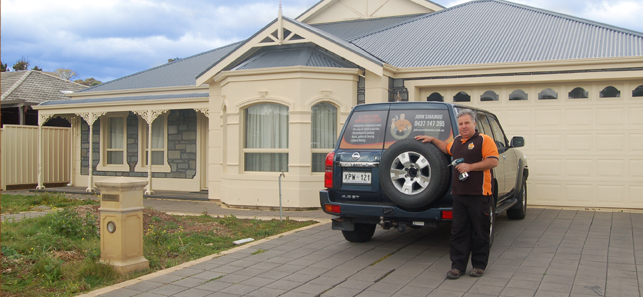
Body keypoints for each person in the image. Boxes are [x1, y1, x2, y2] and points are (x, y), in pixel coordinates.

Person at [415, 109, 499, 279]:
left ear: (474, 123)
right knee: (459, 232)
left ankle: (478, 266)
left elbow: (493, 161)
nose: (463, 126)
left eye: (467, 123)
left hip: (480, 195)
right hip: (460, 196)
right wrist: (432, 139)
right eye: (460, 124)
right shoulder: (457, 141)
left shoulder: (484, 140)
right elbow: (446, 148)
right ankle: (457, 267)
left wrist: (470, 166)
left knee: (480, 232)